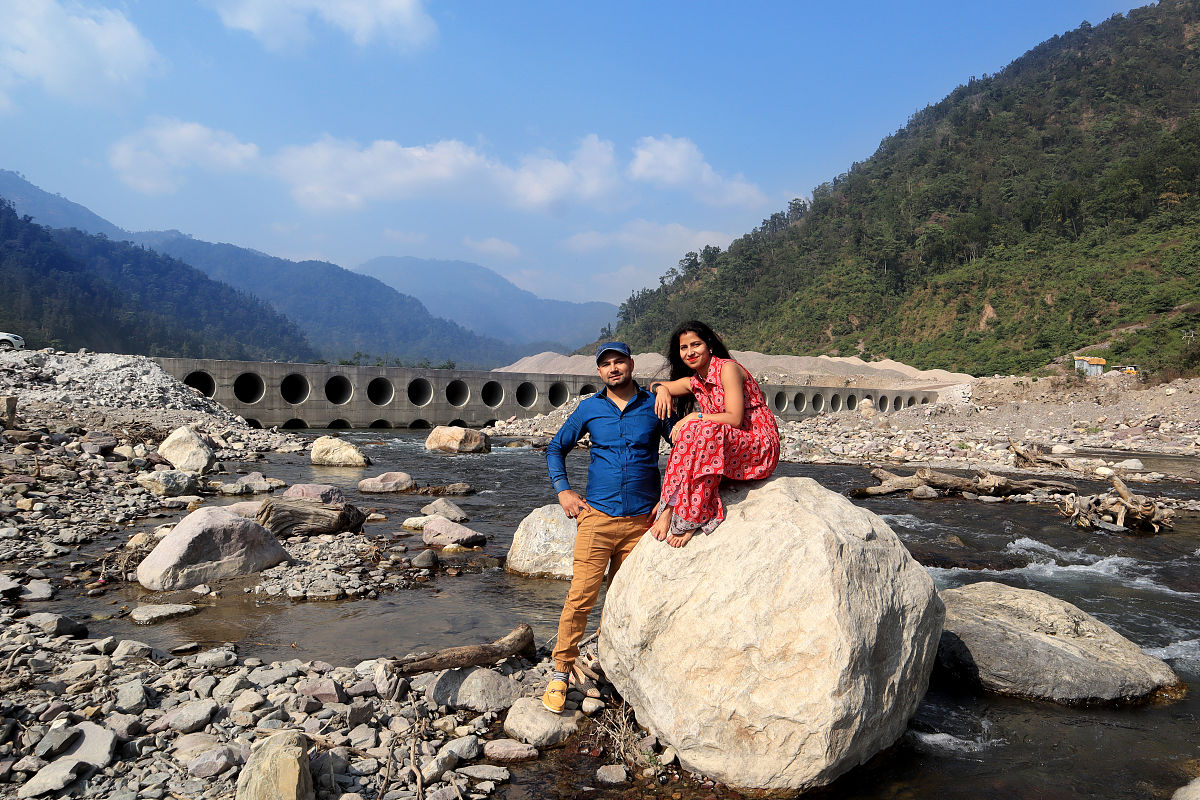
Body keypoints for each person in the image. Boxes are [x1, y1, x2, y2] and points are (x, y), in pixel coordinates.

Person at [542, 341, 673, 713]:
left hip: (643, 523)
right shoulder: (589, 409)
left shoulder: (653, 405)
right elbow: (555, 447)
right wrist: (564, 491)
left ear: (631, 364)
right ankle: (561, 670)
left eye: (619, 362)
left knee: (624, 600)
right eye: (606, 364)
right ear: (599, 372)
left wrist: (670, 502)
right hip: (597, 519)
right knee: (582, 595)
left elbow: (682, 445)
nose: (613, 368)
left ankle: (612, 661)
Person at [647, 320, 780, 547]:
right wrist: (660, 390)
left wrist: (693, 416)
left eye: (695, 345)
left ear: (709, 345)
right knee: (697, 430)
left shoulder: (727, 368)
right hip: (728, 445)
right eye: (684, 347)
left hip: (758, 444)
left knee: (701, 428)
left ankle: (693, 516)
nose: (690, 352)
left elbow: (735, 419)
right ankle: (670, 505)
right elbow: (655, 385)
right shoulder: (696, 381)